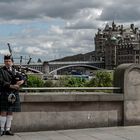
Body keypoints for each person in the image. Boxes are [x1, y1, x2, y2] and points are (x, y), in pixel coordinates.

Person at [0, 55, 25, 136]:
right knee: (3, 111)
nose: (7, 63)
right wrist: (11, 86)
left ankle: (8, 129)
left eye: (9, 61)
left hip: (14, 93)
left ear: (12, 62)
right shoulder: (1, 71)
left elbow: (24, 77)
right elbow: (1, 82)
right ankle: (1, 129)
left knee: (10, 111)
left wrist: (22, 81)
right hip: (5, 92)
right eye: (6, 61)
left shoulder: (16, 70)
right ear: (4, 62)